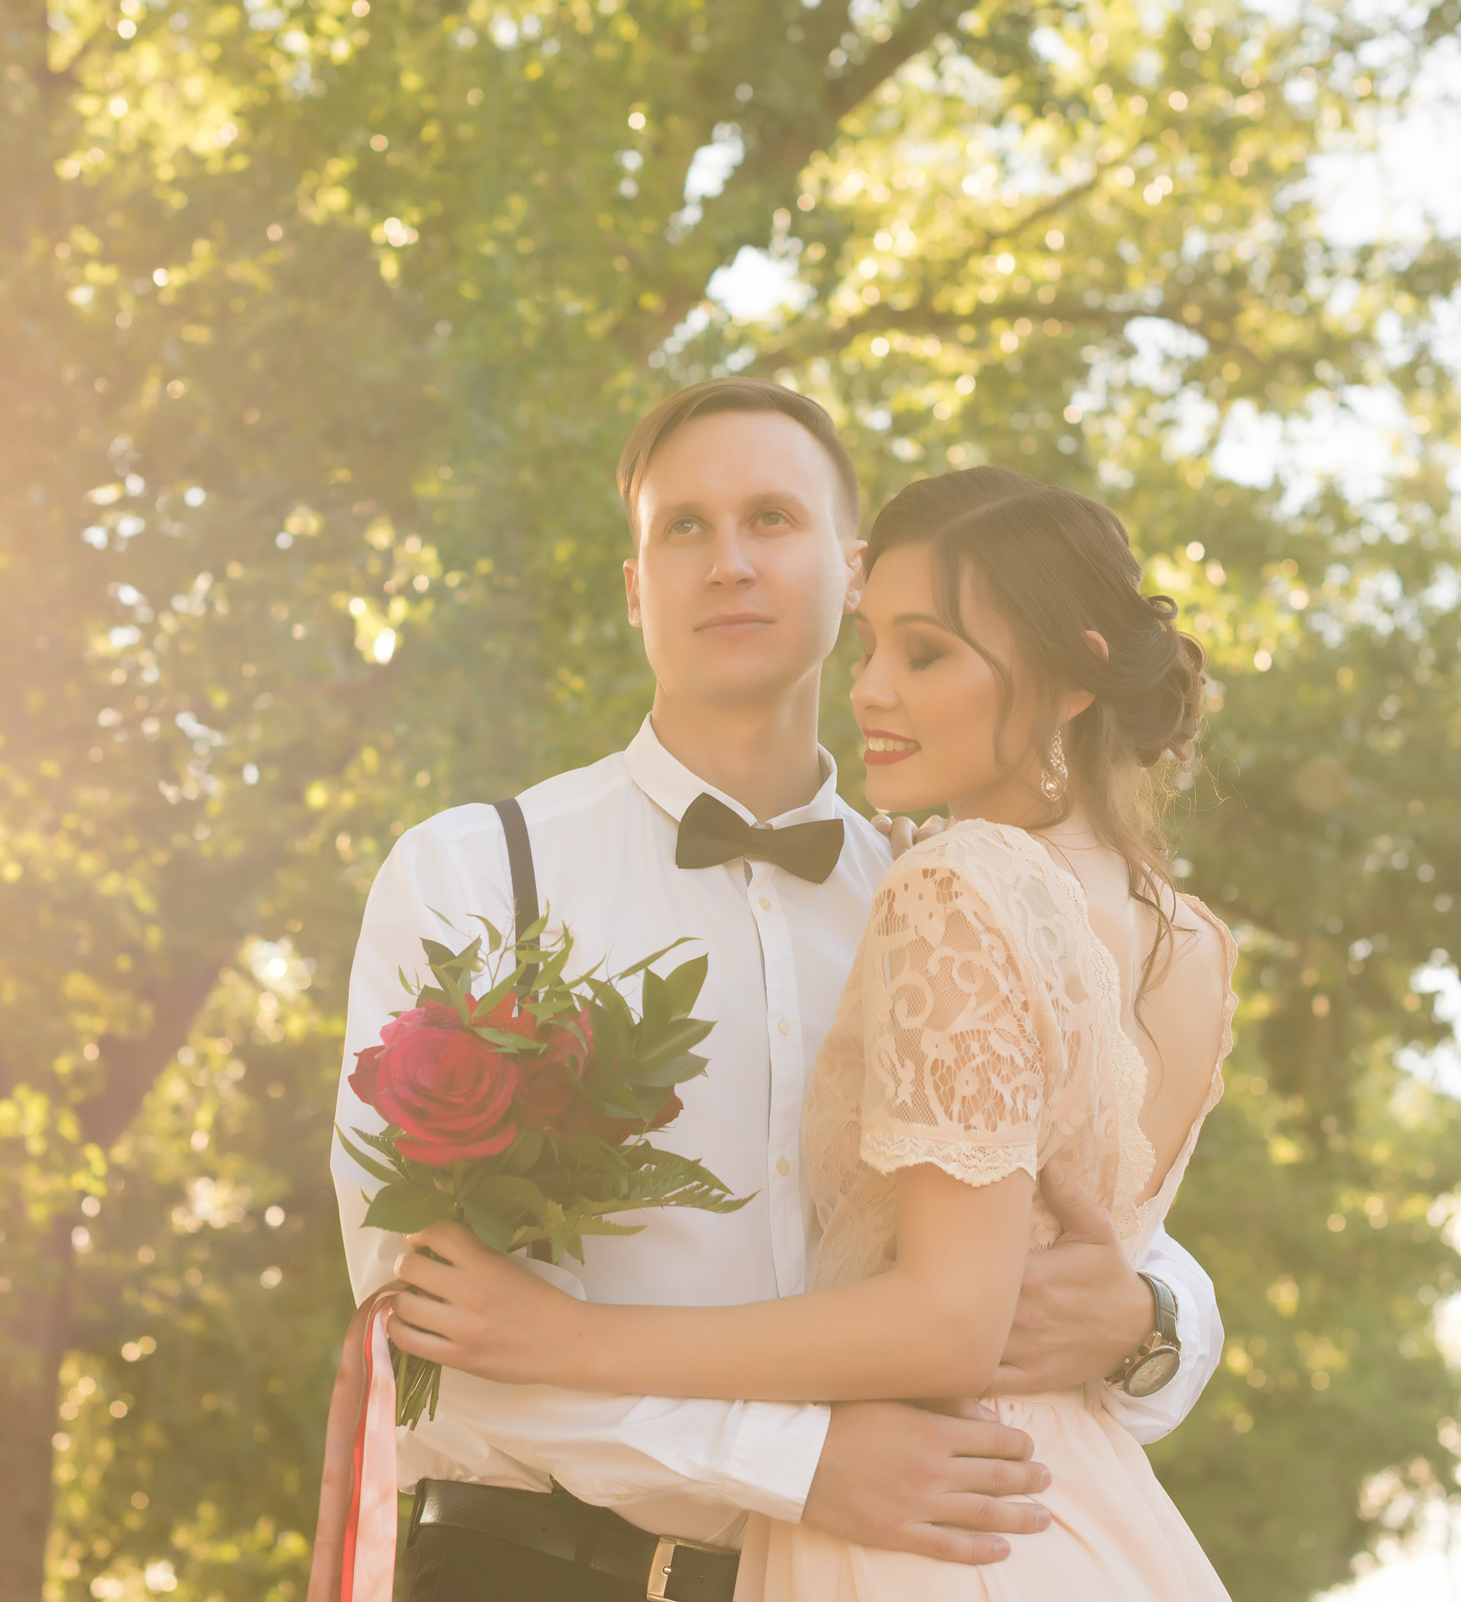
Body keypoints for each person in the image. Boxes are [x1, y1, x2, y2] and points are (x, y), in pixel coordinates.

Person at [329, 383, 1226, 1602]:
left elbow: (1105, 1217)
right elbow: (433, 1323)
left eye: (771, 518)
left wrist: (1153, 1320)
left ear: (850, 572)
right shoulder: (475, 872)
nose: (729, 563)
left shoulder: (948, 893)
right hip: (528, 1568)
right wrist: (799, 1463)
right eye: (682, 529)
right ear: (635, 585)